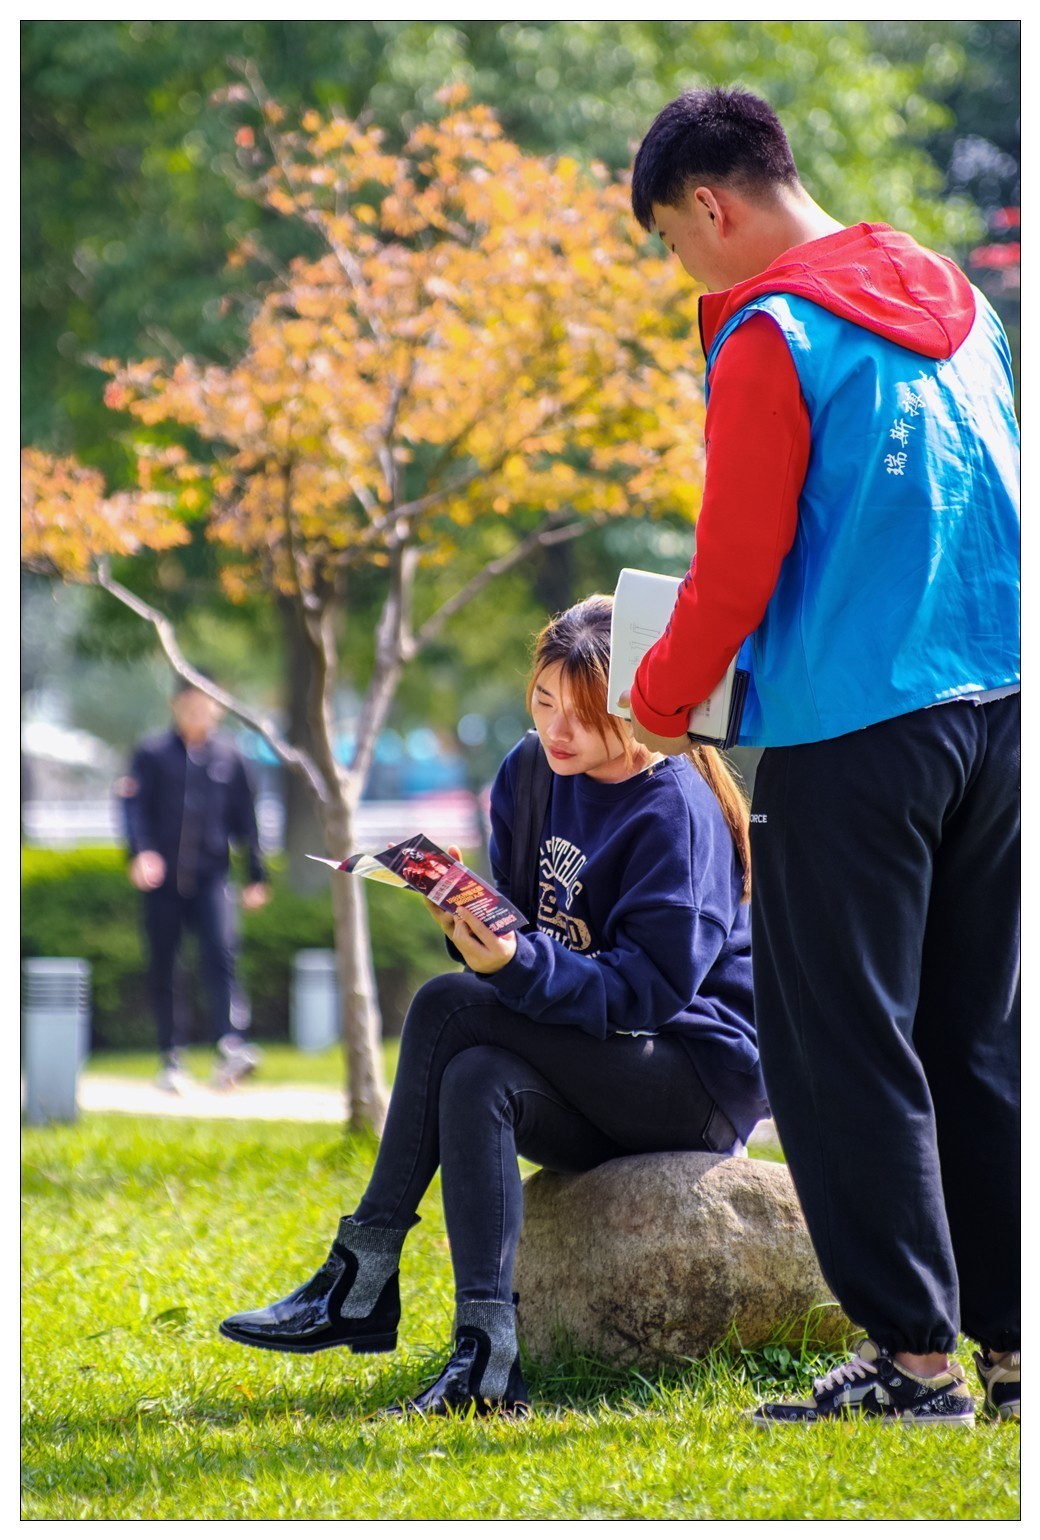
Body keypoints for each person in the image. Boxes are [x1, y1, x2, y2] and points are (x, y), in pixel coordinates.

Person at [624, 87, 1020, 1426]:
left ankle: (914, 1363)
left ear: (708, 207)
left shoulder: (773, 335)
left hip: (852, 735)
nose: (687, 270)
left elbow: (736, 566)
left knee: (844, 1044)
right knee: (972, 1037)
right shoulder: (962, 309)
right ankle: (1014, 1352)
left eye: (675, 244)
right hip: (999, 714)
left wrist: (663, 698)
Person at [219, 595, 768, 1417]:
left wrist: (513, 967)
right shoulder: (531, 771)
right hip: (590, 1054)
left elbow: (651, 993)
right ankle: (485, 1357)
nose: (558, 731)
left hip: (687, 1075)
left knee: (449, 1006)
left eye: (581, 714)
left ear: (633, 707)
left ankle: (361, 1273)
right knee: (476, 1076)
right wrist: (469, 925)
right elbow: (517, 917)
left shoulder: (675, 810)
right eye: (544, 702)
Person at [119, 676, 270, 1092]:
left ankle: (230, 1045)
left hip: (212, 878)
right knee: (166, 966)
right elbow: (133, 809)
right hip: (162, 881)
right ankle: (171, 1057)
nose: (197, 715)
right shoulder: (152, 754)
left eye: (205, 707)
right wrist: (140, 853)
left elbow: (247, 821)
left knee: (222, 954)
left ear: (218, 709)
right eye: (188, 707)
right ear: (174, 707)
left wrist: (257, 875)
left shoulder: (231, 757)